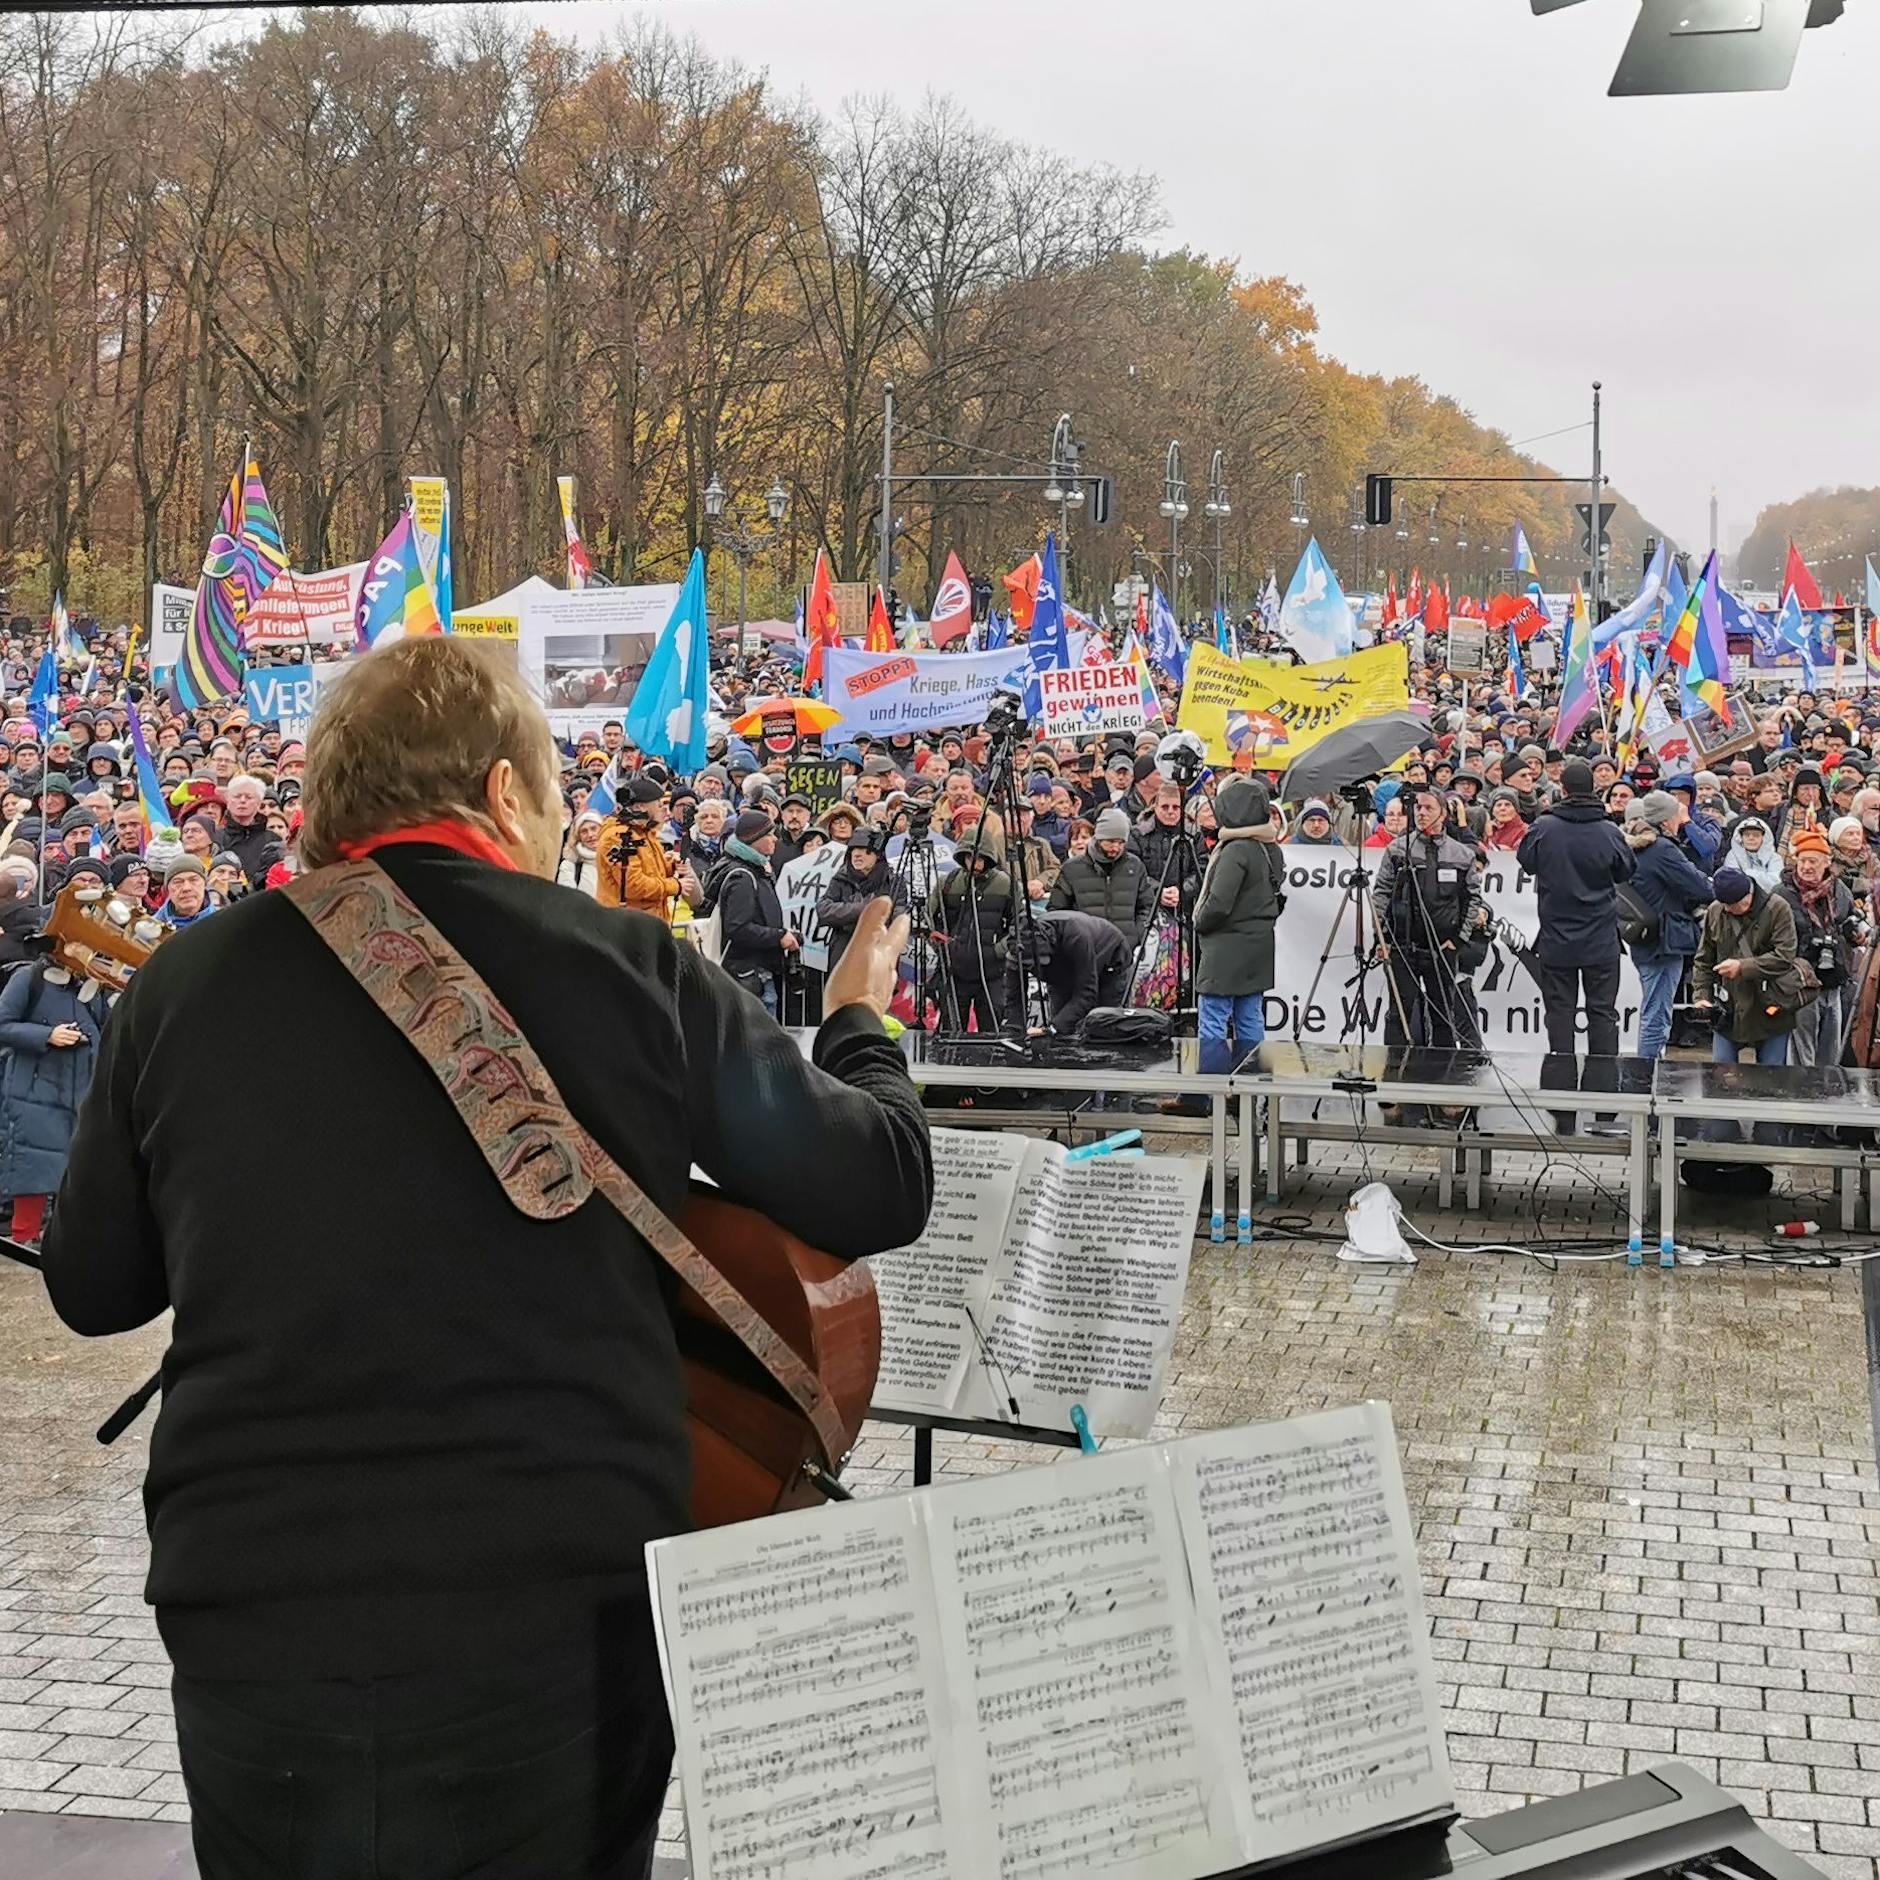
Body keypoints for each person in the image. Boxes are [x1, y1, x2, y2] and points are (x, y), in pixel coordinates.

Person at [40, 636, 932, 1880]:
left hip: (256, 1595)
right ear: (505, 793)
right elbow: (877, 1180)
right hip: (554, 1603)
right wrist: (859, 1018)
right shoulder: (631, 968)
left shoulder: (182, 983)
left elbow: (91, 1289)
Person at [1515, 758, 1634, 1132]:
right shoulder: (1608, 830)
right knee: (1603, 1016)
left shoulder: (1544, 827)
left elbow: (1526, 862)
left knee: (1559, 1016)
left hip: (1557, 940)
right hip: (1600, 940)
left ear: (1562, 790)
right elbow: (1626, 870)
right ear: (1593, 789)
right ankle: (1602, 1107)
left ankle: (1562, 1107)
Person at [1370, 785, 1487, 1061]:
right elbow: (1381, 895)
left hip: (1442, 947)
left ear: (1443, 814)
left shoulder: (1461, 854)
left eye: (1428, 808)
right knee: (1399, 1013)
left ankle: (1442, 1079)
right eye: (1418, 808)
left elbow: (1473, 900)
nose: (1421, 813)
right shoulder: (1398, 849)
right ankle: (1395, 1078)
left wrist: (1458, 940)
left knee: (1443, 1014)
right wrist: (1381, 939)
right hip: (1402, 946)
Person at [0, 947, 105, 1244]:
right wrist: (46, 1035)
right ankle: (23, 1240)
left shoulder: (93, 980)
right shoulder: (28, 978)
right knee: (33, 1172)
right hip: (34, 1091)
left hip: (80, 1091)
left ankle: (63, 1249)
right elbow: (3, 1023)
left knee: (74, 1175)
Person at [1192, 777, 1285, 1050]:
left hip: (1225, 948)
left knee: (1213, 1019)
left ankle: (1208, 1089)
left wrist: (1199, 921)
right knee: (1250, 1017)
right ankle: (1251, 1086)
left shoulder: (1235, 851)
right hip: (1258, 946)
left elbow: (1219, 902)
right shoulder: (1271, 849)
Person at [1622, 792, 1716, 1061]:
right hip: (1664, 941)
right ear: (1666, 819)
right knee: (1657, 1013)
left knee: (1654, 1007)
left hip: (1646, 938)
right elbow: (1700, 887)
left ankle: (1649, 1066)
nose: (1681, 817)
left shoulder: (1637, 847)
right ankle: (1649, 1073)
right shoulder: (1662, 849)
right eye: (1678, 813)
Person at [1694, 863, 1801, 1069]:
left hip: (1771, 1007)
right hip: (1728, 1011)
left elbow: (1784, 956)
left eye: (1732, 904)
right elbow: (1703, 961)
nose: (1727, 909)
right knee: (1720, 1075)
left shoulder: (1777, 908)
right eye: (1723, 903)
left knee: (1771, 1077)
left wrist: (1743, 967)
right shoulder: (1716, 911)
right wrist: (1702, 997)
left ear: (1748, 895)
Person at [1777, 827, 1858, 1070]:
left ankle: (1827, 1092)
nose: (1806, 866)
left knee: (1831, 1045)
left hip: (1833, 976)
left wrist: (1854, 934)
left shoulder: (1839, 890)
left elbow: (1849, 919)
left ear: (1826, 863)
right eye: (1802, 860)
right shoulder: (1783, 894)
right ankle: (1803, 1092)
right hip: (1801, 979)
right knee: (1802, 1045)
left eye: (1813, 861)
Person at [703, 808, 797, 1015]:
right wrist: (779, 936)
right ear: (755, 839)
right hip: (750, 976)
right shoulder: (743, 877)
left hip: (753, 972)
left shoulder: (754, 869)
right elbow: (738, 928)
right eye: (770, 834)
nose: (775, 839)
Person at [932, 812, 1012, 1033]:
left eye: (978, 857)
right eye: (969, 856)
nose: (973, 862)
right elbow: (928, 918)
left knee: (991, 1031)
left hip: (992, 972)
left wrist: (998, 950)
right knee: (951, 1031)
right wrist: (944, 946)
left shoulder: (1004, 884)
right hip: (955, 971)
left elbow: (1020, 923)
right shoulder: (948, 882)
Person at [1007, 908, 1131, 1038]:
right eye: (1029, 966)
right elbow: (1014, 997)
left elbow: (1086, 993)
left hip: (1110, 959)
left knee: (1102, 1023)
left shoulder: (1077, 936)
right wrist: (1016, 1032)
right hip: (1063, 966)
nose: (1033, 969)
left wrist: (1052, 1028)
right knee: (1061, 1025)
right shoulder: (1016, 953)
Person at [1049, 805, 1155, 951]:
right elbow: (1056, 912)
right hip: (1084, 951)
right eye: (1110, 841)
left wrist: (1138, 935)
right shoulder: (1071, 869)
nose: (1116, 848)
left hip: (1126, 950)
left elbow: (1146, 906)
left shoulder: (1135, 866)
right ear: (1098, 838)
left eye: (1121, 842)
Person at [817, 826, 908, 972]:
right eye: (853, 850)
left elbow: (898, 918)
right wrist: (863, 908)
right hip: (844, 951)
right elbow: (823, 910)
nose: (857, 855)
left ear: (878, 855)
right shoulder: (840, 878)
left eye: (865, 850)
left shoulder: (894, 882)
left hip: (878, 953)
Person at [599, 777, 680, 919]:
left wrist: (672, 865)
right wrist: (675, 886)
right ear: (640, 807)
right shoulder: (617, 836)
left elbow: (652, 873)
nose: (664, 810)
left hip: (650, 923)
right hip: (627, 927)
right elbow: (633, 886)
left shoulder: (645, 833)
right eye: (658, 804)